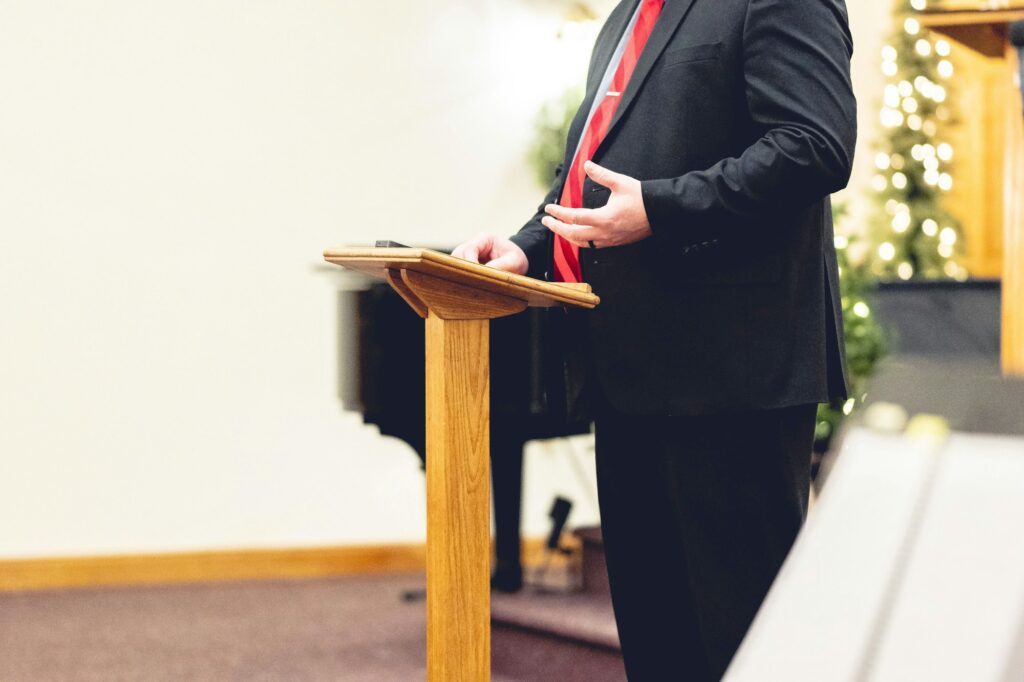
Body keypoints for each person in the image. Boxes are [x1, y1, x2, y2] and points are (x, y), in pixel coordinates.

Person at [453, 0, 856, 678]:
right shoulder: (626, 17)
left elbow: (814, 145)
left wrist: (663, 209)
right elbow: (592, 172)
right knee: (658, 646)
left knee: (743, 647)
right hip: (627, 372)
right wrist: (528, 248)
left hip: (730, 378)